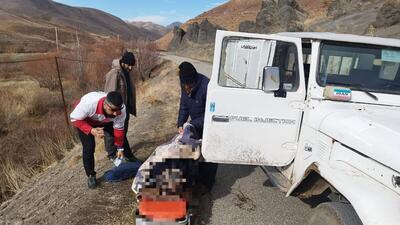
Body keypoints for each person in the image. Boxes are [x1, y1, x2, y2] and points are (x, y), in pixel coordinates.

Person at [70, 91, 127, 189]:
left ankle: (122, 156)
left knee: (118, 137)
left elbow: (119, 130)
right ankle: (91, 175)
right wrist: (91, 130)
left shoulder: (119, 111)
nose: (115, 113)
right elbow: (74, 118)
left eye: (118, 110)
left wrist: (120, 148)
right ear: (105, 105)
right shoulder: (89, 104)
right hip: (85, 120)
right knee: (89, 147)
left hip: (105, 119)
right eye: (113, 109)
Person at [177, 61, 218, 193]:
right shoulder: (184, 85)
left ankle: (207, 184)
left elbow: (211, 114)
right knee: (195, 152)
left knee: (209, 154)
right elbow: (184, 105)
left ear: (193, 80)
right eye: (184, 85)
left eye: (188, 85)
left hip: (209, 125)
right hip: (195, 124)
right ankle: (197, 179)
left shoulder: (207, 86)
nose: (186, 88)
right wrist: (180, 123)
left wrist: (193, 123)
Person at [104, 51, 137, 162]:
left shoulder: (126, 72)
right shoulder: (115, 74)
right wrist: (112, 110)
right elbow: (110, 93)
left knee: (122, 131)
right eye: (129, 65)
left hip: (124, 108)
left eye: (132, 65)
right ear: (123, 62)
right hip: (115, 109)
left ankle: (123, 152)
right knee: (111, 132)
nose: (131, 67)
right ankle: (112, 155)